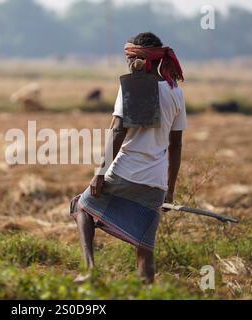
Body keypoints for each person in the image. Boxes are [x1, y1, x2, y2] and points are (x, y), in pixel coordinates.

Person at [71, 32, 186, 284]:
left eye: (129, 58)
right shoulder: (175, 91)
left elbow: (117, 131)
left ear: (140, 60)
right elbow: (175, 145)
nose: (127, 63)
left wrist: (100, 172)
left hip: (124, 172)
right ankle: (146, 292)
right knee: (145, 249)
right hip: (155, 181)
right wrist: (169, 190)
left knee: (82, 207)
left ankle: (90, 270)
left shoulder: (131, 87)